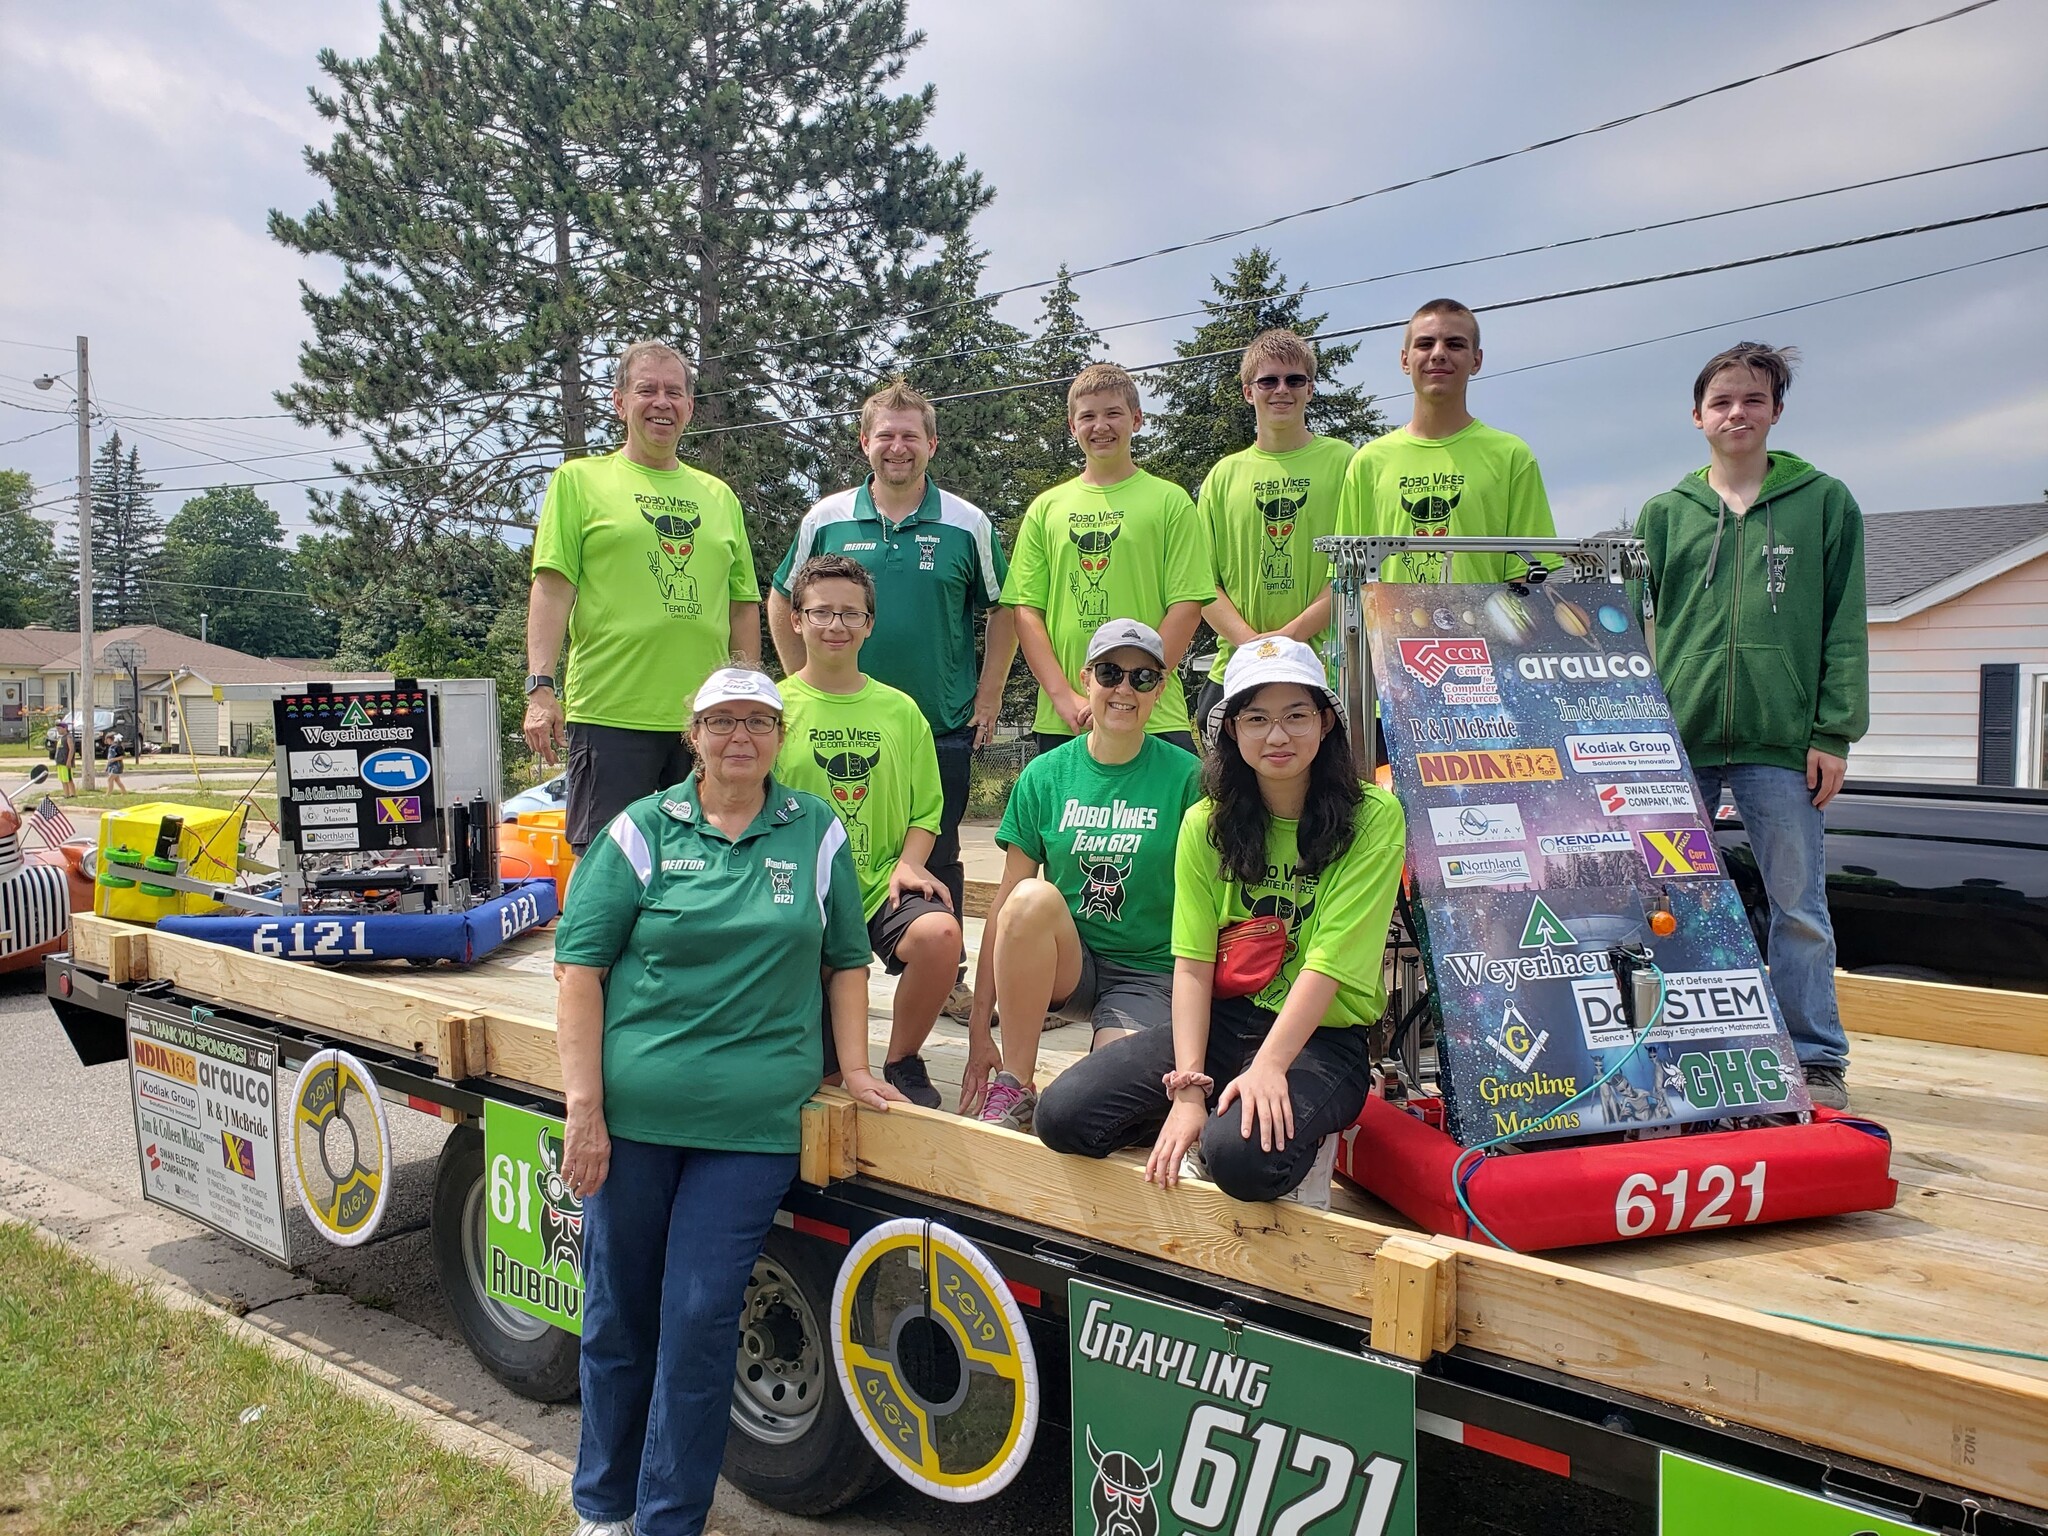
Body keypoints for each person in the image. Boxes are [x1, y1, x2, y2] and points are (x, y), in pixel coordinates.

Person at [552, 666, 902, 1536]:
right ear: (693, 732)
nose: (739, 736)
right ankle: (602, 1506)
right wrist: (584, 1111)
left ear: (779, 737)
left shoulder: (812, 827)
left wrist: (854, 1069)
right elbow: (579, 969)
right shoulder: (642, 829)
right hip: (633, 1121)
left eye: (758, 721)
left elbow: (847, 958)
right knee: (617, 1315)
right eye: (721, 720)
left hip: (750, 1129)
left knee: (701, 1318)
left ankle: (667, 1520)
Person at [1036, 635, 1406, 1206]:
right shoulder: (1207, 822)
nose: (1277, 735)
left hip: (1321, 1039)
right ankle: (1208, 1111)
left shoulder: (1371, 817)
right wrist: (1186, 1088)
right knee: (1063, 1116)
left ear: (1326, 723)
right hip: (1223, 1024)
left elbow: (1329, 962)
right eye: (1256, 718)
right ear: (1230, 729)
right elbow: (1191, 962)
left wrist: (1270, 1068)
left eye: (1296, 715)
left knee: (1237, 1160)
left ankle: (1255, 1125)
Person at [1635, 341, 1867, 1110]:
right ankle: (1681, 1043)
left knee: (1797, 906)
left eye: (1753, 399)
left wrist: (1833, 732)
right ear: (1697, 415)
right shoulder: (1665, 515)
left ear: (1775, 411)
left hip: (1783, 744)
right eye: (1722, 401)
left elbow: (1845, 624)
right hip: (1680, 743)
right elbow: (1635, 628)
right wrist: (1639, 735)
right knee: (1671, 900)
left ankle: (1816, 1056)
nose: (1737, 412)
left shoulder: (1825, 502)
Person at [769, 377, 1017, 1014]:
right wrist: (801, 685)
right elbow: (780, 599)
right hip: (833, 723)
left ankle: (946, 976)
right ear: (864, 443)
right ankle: (810, 967)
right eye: (886, 435)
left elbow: (1004, 610)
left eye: (911, 435)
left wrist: (988, 694)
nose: (898, 447)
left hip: (937, 722)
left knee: (943, 848)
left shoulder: (967, 522)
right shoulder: (825, 518)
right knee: (813, 840)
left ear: (931, 444)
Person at [960, 619, 1204, 1131]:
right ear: (1086, 678)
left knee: (1108, 1111)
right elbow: (1004, 908)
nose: (1124, 689)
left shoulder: (1188, 778)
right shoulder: (1045, 776)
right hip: (1071, 965)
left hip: (1149, 974)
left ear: (1159, 689)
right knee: (1028, 898)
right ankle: (1016, 1083)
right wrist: (979, 1032)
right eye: (1111, 672)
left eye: (1142, 678)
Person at [525, 339, 761, 852]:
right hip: (612, 715)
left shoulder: (720, 497)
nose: (662, 402)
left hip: (705, 723)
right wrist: (541, 688)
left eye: (674, 392)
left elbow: (743, 605)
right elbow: (552, 586)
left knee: (706, 870)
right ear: (619, 402)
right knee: (607, 877)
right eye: (646, 390)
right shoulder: (579, 481)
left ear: (690, 407)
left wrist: (744, 699)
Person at [773, 554, 958, 1110]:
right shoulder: (773, 709)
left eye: (850, 614)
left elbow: (927, 808)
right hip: (800, 890)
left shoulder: (900, 711)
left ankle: (903, 1058)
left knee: (941, 935)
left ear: (870, 623)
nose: (836, 626)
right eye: (822, 612)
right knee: (819, 1084)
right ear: (797, 621)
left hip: (878, 884)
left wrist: (912, 861)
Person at [1003, 362, 1214, 754]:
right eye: (1088, 416)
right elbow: (1026, 613)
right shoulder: (1046, 508)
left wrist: (1135, 689)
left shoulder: (1170, 501)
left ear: (1136, 419)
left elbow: (1187, 604)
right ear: (1072, 427)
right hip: (1068, 718)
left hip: (1154, 715)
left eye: (1113, 413)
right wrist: (1064, 696)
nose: (1101, 426)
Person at [1196, 329, 1355, 742]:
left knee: (1331, 802)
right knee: (1237, 803)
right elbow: (1200, 582)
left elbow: (1355, 573)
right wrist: (1254, 648)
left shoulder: (1347, 463)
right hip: (1235, 668)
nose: (1281, 390)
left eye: (1294, 380)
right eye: (1268, 381)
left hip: (1330, 669)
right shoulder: (1222, 477)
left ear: (1310, 389)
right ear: (1249, 392)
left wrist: (1286, 641)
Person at [1336, 298, 1556, 584]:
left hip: (1486, 630)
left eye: (1454, 344)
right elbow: (1349, 579)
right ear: (1405, 360)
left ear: (1476, 360)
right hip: (1391, 629)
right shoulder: (1368, 462)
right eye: (1425, 344)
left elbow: (1529, 578)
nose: (1438, 354)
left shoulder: (1512, 456)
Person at [51, 725, 75, 798]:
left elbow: (71, 749)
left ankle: (72, 794)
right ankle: (66, 794)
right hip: (60, 762)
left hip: (65, 762)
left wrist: (69, 761)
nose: (58, 730)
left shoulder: (68, 737)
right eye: (57, 729)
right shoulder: (61, 738)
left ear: (65, 728)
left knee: (68, 779)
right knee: (63, 779)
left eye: (59, 728)